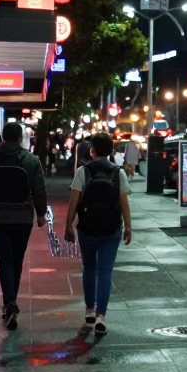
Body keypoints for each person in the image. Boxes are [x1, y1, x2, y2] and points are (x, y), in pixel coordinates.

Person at [0, 122, 47, 330]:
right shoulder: (31, 160)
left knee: (4, 260)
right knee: (17, 259)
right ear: (19, 139)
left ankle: (9, 303)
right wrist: (41, 214)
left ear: (3, 137)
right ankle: (11, 301)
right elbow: (39, 188)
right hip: (22, 217)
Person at [64, 133, 132, 336]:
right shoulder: (118, 173)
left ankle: (89, 310)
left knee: (89, 267)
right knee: (106, 271)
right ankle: (102, 315)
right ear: (112, 150)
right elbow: (124, 203)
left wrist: (68, 224)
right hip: (111, 229)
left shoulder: (83, 172)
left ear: (91, 150)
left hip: (87, 228)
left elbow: (74, 201)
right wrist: (128, 227)